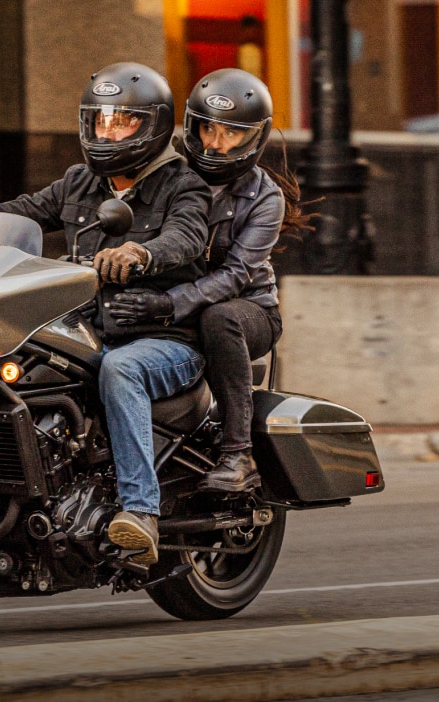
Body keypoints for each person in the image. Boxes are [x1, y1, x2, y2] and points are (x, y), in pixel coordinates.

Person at [0, 63, 210, 565]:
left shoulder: (184, 184)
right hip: (89, 327)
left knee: (122, 369)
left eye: (123, 122)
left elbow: (187, 236)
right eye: (100, 121)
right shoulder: (79, 182)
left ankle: (141, 512)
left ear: (154, 126)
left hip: (164, 339)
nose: (108, 132)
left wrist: (142, 254)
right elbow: (18, 212)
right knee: (17, 367)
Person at [110, 68, 309, 493]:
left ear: (255, 138)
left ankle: (238, 454)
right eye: (207, 129)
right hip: (169, 307)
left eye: (231, 134)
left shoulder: (264, 197)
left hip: (248, 310)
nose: (215, 144)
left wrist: (169, 304)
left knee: (220, 318)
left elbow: (236, 275)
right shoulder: (170, 177)